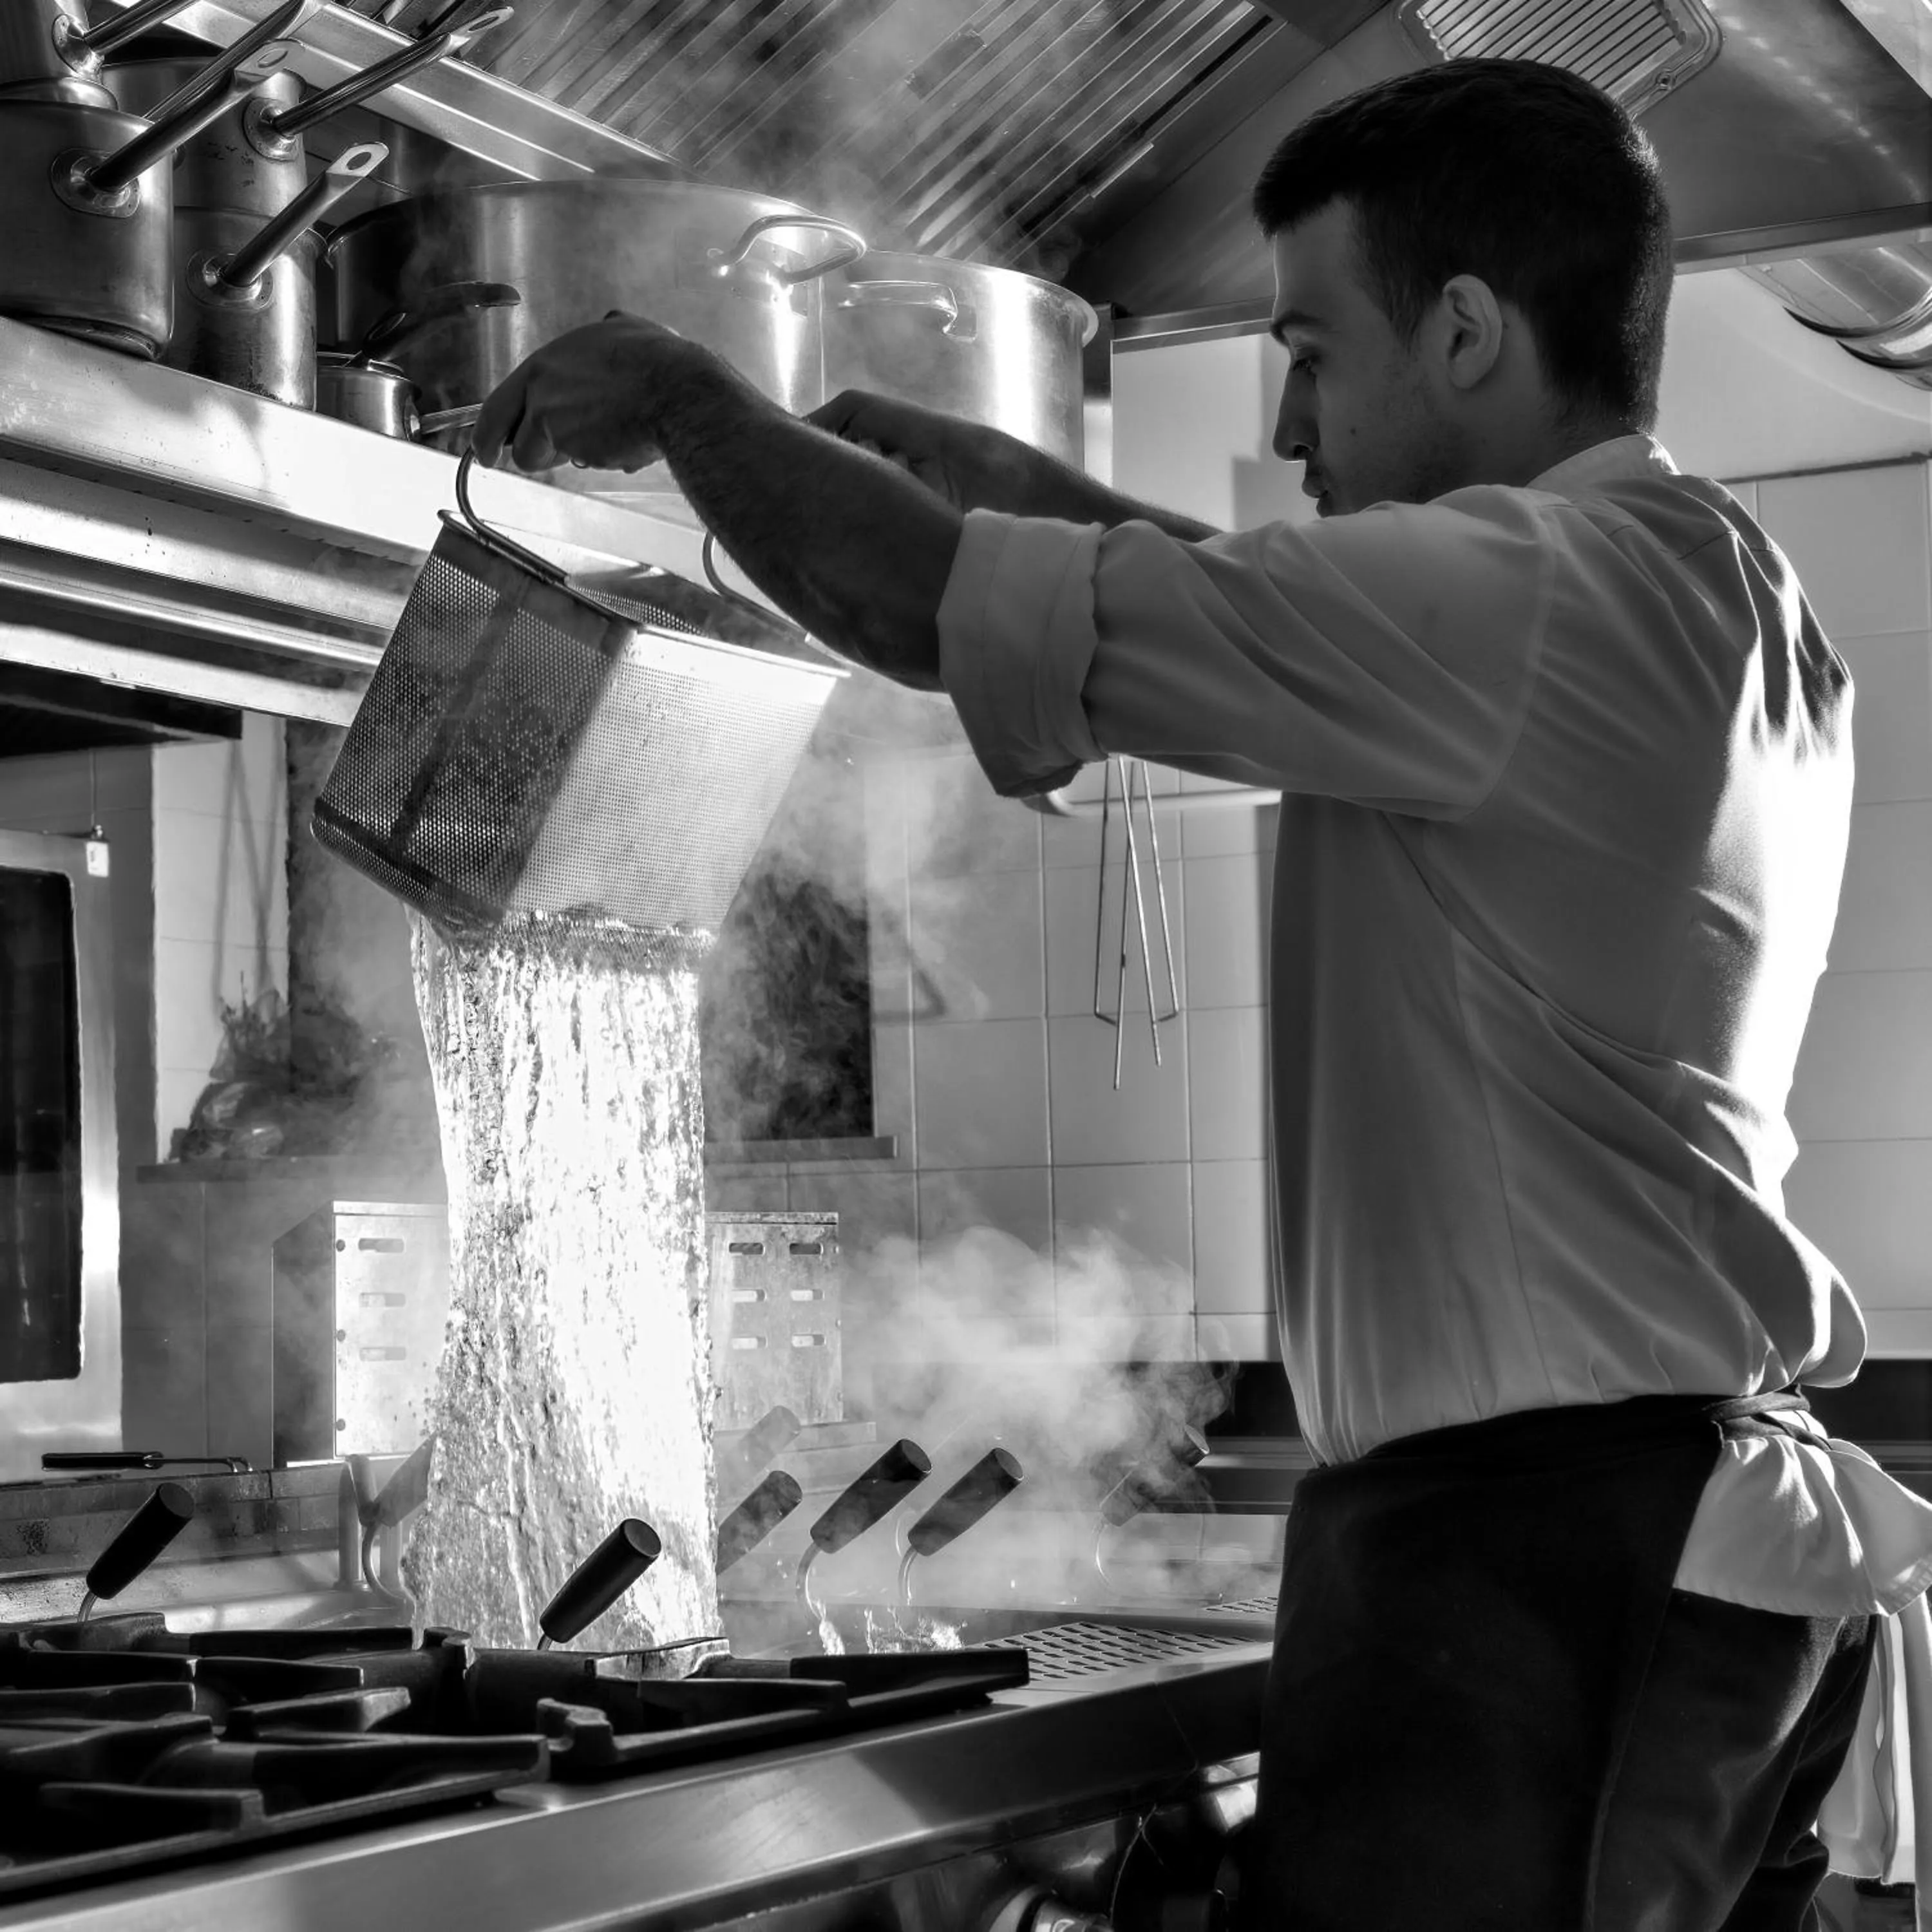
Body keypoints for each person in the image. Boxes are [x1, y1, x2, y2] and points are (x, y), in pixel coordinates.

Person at [473, 57, 1932, 1931]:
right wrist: (1001, 490)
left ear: (1470, 331)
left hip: (1560, 1554)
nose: (1295, 421)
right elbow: (1232, 601)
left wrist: (686, 403)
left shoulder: (1531, 594)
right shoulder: (1692, 583)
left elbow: (936, 611)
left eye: (1313, 351)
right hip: (1658, 1543)